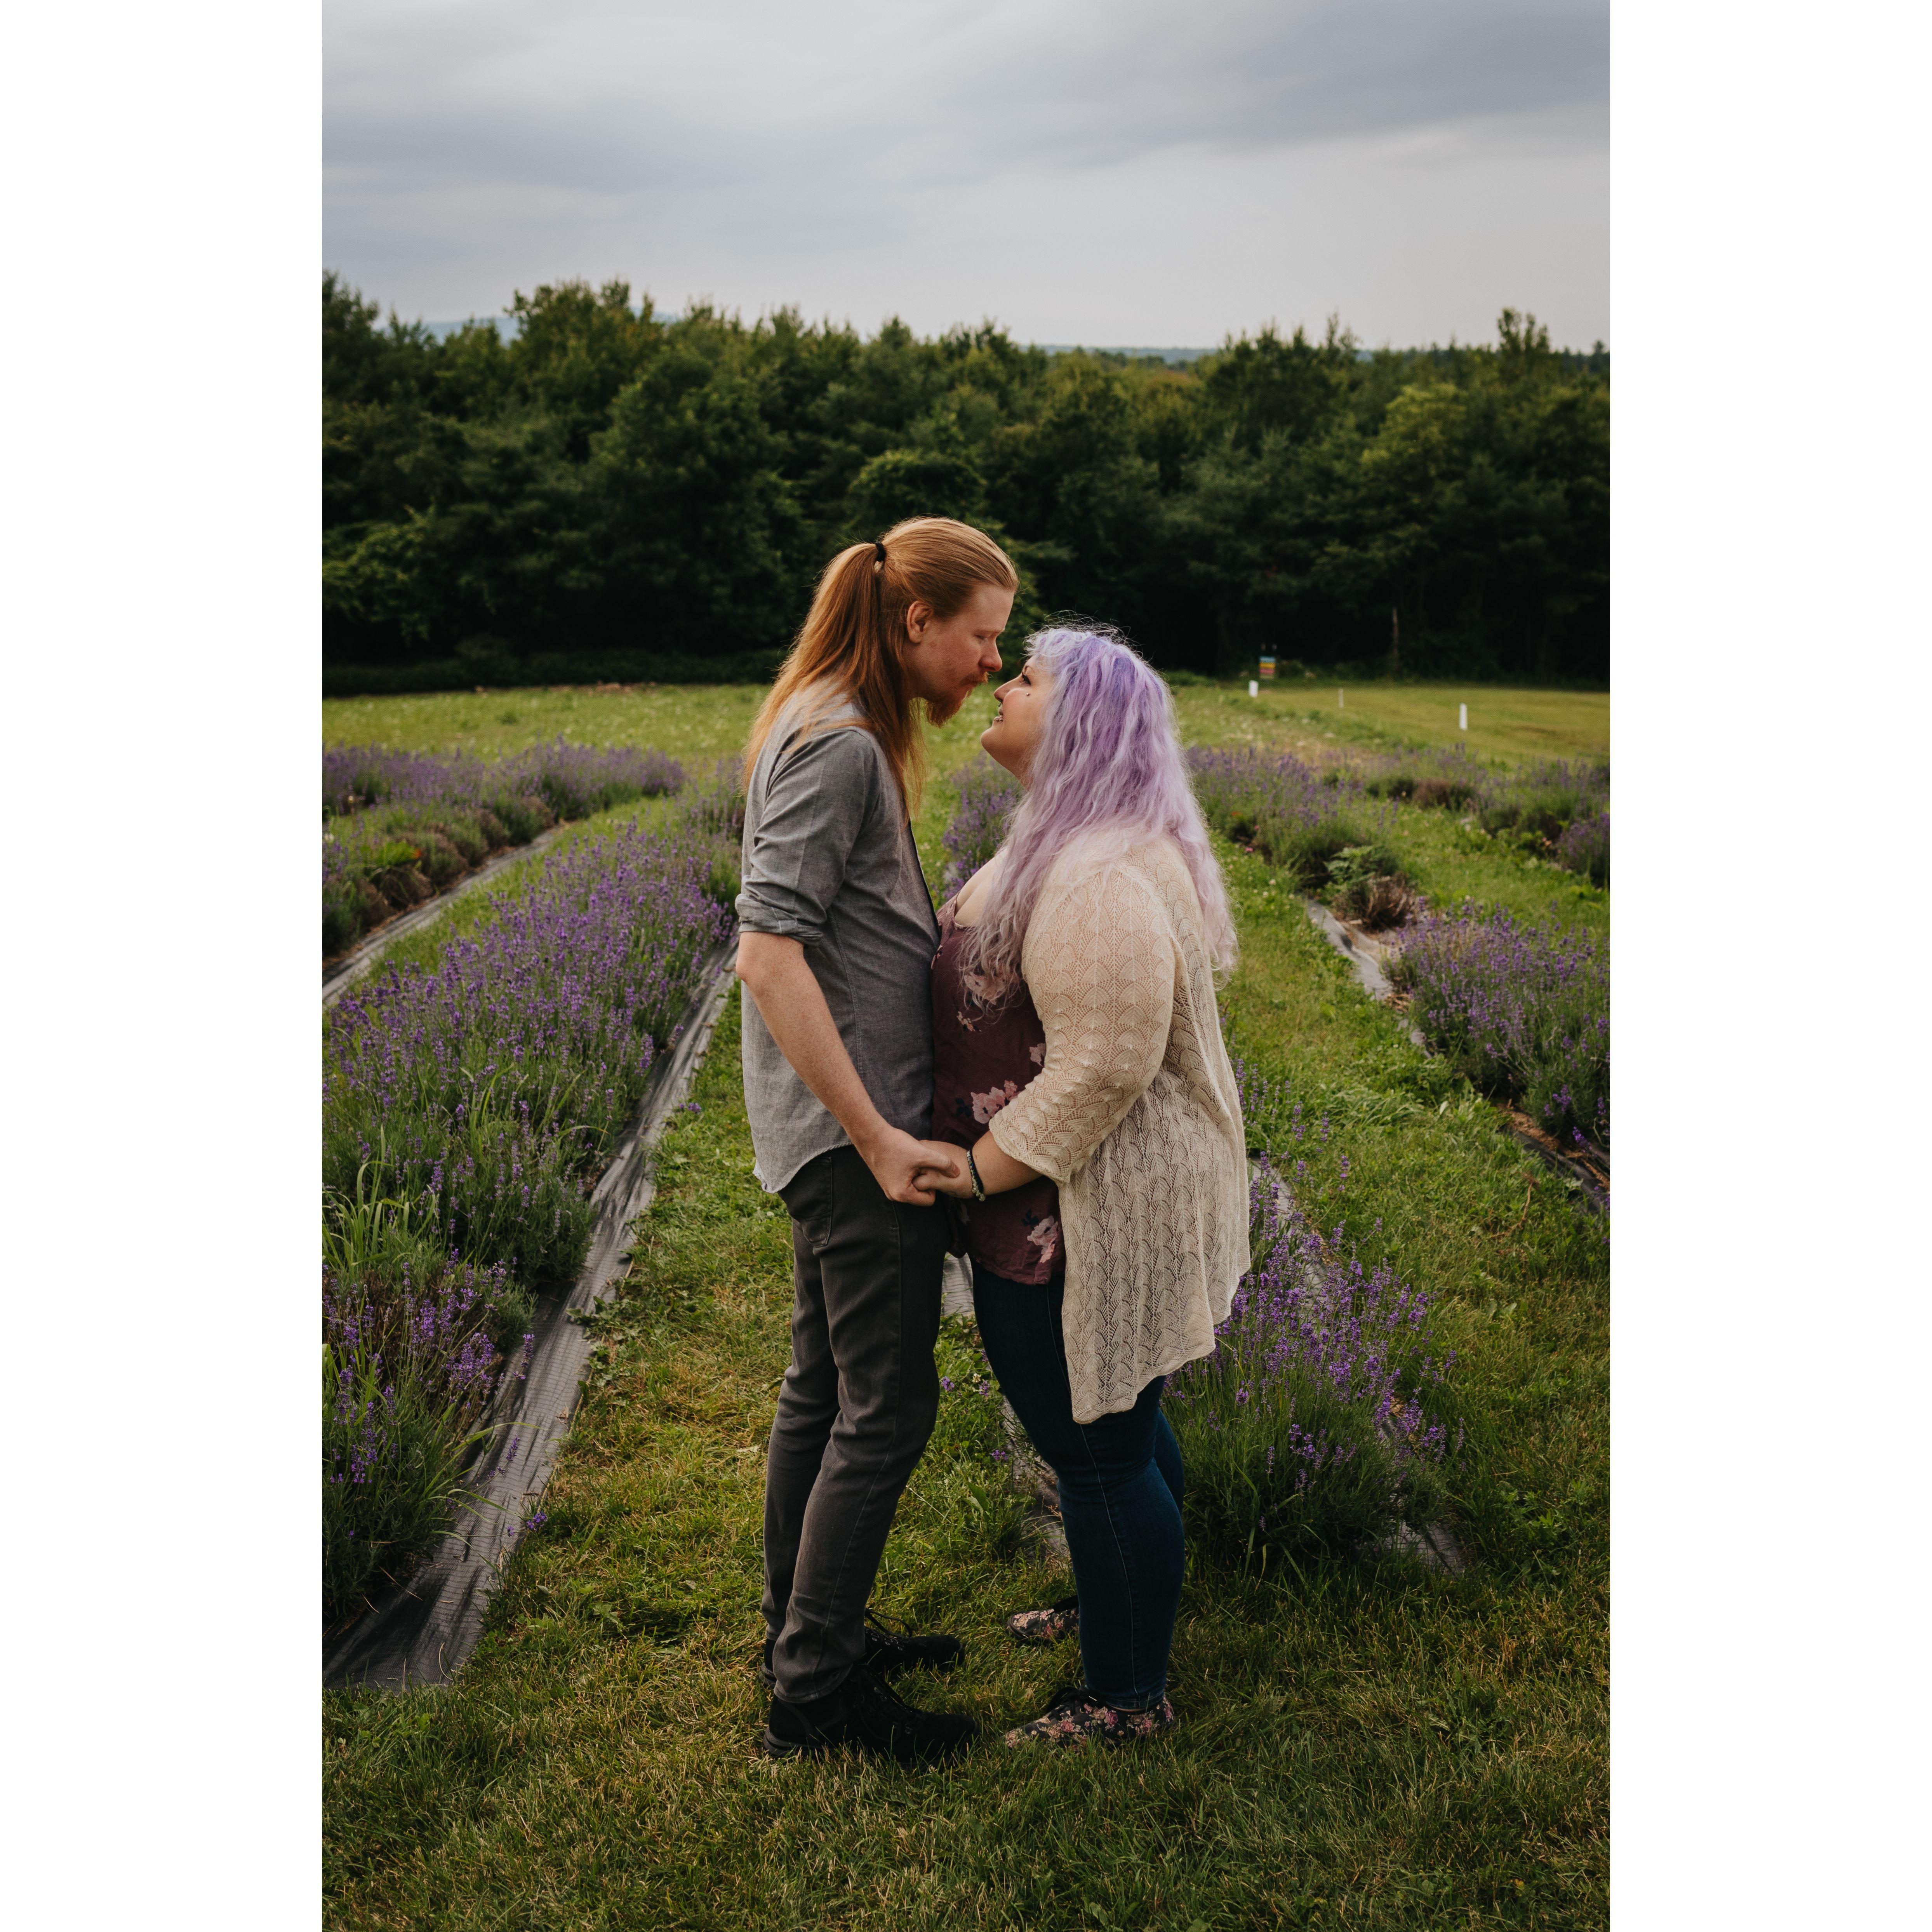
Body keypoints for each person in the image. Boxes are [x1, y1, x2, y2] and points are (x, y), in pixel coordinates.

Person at [924, 623, 1247, 1749]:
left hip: (1084, 1213)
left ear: (1081, 723)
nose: (1000, 684)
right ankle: (1120, 1597)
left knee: (1099, 1448)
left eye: (1026, 679)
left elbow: (1106, 1064)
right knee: (1115, 1430)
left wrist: (976, 1168)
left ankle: (1127, 1699)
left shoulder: (1098, 876)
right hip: (1069, 1199)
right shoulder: (1067, 839)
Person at [735, 516, 1015, 1767]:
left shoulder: (832, 721)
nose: (992, 664)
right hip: (861, 1144)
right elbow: (768, 952)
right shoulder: (841, 744)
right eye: (982, 636)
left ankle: (807, 1632)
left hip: (841, 1133)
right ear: (915, 621)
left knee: (825, 1386)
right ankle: (815, 1691)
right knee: (888, 1409)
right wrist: (879, 1139)